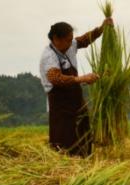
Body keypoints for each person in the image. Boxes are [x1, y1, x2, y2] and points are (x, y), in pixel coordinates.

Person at [39, 18, 113, 157]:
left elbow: (84, 40)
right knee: (64, 133)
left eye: (71, 39)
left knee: (83, 126)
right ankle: (64, 162)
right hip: (60, 102)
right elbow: (56, 78)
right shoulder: (49, 56)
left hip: (75, 97)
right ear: (56, 39)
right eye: (68, 39)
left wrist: (101, 29)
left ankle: (85, 157)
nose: (71, 42)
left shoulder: (69, 44)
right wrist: (82, 78)